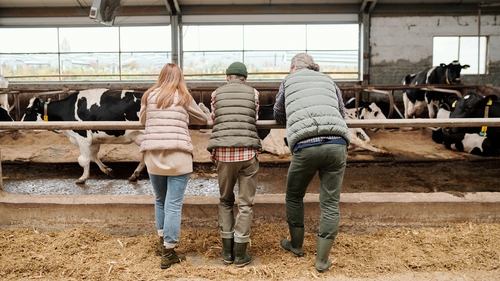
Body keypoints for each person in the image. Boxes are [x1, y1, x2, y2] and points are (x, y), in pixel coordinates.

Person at [273, 53, 350, 273]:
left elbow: (279, 113)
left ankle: (296, 246)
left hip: (306, 146)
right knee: (330, 203)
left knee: (294, 195)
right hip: (337, 144)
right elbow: (341, 112)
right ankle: (322, 260)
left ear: (294, 67)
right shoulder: (328, 79)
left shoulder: (288, 81)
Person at [139, 63, 208, 269]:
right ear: (180, 78)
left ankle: (162, 243)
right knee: (173, 205)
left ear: (161, 76)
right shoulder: (184, 97)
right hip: (178, 156)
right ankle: (169, 252)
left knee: (160, 199)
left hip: (153, 156)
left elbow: (142, 119)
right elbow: (203, 119)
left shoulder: (149, 96)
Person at [207, 61, 261, 267]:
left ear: (227, 77)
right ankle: (240, 253)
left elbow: (214, 118)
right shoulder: (253, 93)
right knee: (245, 203)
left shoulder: (215, 94)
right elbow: (254, 118)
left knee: (225, 200)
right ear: (245, 79)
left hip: (223, 153)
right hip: (247, 152)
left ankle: (226, 252)